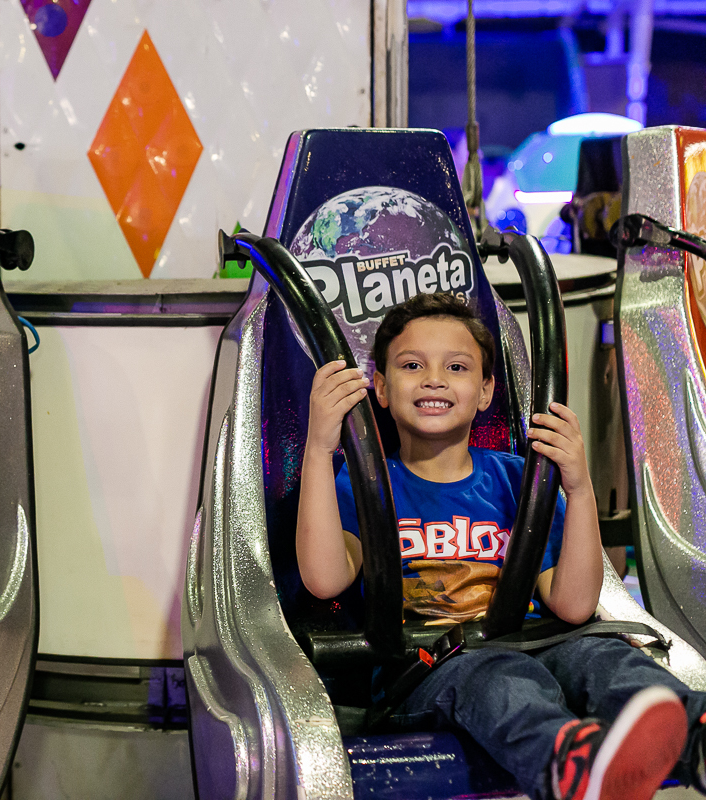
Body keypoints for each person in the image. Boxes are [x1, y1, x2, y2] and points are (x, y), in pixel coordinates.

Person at [296, 291, 706, 800]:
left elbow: (573, 604)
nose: (434, 378)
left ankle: (696, 739)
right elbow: (324, 577)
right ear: (379, 387)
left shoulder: (519, 480)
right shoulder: (365, 483)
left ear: (486, 390)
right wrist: (319, 446)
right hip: (431, 669)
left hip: (534, 644)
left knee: (604, 656)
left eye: (457, 366)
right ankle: (570, 766)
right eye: (411, 365)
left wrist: (579, 489)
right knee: (495, 673)